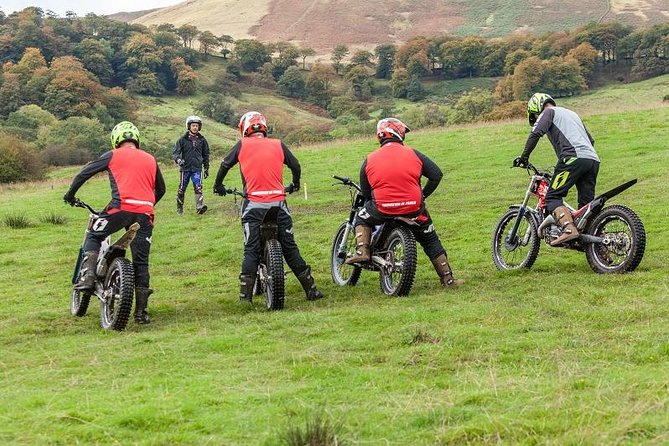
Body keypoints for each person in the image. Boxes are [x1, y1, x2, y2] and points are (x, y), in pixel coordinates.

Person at [212, 111, 324, 303]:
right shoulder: (277, 144)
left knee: (251, 248)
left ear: (244, 129)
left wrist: (218, 186)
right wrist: (295, 184)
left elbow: (224, 165)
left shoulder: (242, 145)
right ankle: (311, 289)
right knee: (289, 247)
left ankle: (245, 297)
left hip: (253, 205)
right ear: (264, 128)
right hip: (279, 204)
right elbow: (295, 165)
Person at [63, 121, 166, 324]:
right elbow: (161, 190)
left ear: (115, 140)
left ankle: (87, 278)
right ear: (136, 139)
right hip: (145, 213)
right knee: (141, 262)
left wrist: (70, 194)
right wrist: (146, 205)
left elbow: (85, 173)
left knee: (94, 233)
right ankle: (141, 313)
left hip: (120, 208)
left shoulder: (113, 154)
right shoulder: (151, 159)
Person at [345, 118, 464, 288]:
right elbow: (436, 175)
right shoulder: (414, 153)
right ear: (398, 134)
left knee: (361, 218)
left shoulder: (369, 159)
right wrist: (423, 195)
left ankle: (363, 251)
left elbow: (365, 194)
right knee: (430, 238)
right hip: (414, 209)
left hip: (382, 208)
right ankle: (448, 279)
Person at [513, 92, 600, 246]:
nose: (536, 119)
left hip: (572, 158)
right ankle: (596, 245)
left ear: (537, 108)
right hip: (592, 160)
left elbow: (536, 133)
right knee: (586, 207)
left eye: (535, 116)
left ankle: (568, 229)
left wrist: (524, 157)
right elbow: (590, 139)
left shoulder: (548, 112)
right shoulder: (572, 114)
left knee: (552, 197)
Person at [173, 115, 210, 215]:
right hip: (185, 169)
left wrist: (206, 168)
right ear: (188, 126)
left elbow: (206, 154)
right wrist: (178, 160)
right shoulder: (182, 140)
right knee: (182, 188)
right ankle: (179, 209)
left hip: (197, 169)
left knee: (198, 187)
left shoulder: (202, 140)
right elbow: (175, 153)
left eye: (197, 126)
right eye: (193, 125)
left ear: (199, 127)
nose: (195, 127)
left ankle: (199, 207)